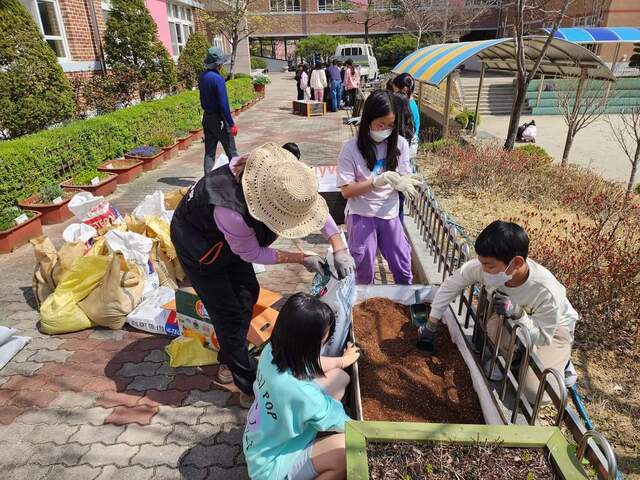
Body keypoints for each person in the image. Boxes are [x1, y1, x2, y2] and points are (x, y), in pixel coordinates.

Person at [170, 143, 356, 408]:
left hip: (230, 243)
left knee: (248, 293)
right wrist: (301, 258)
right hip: (201, 247)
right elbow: (251, 253)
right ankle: (243, 379)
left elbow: (315, 208)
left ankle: (229, 352)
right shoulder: (230, 211)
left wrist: (339, 247)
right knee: (231, 314)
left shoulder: (282, 172)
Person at [417, 220, 578, 402]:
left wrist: (518, 314)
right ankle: (514, 357)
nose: (483, 270)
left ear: (516, 262)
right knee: (493, 329)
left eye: (490, 266)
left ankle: (564, 363)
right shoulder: (485, 267)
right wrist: (432, 323)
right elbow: (450, 286)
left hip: (552, 329)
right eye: (482, 263)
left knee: (535, 394)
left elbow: (542, 336)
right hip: (513, 322)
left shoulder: (545, 291)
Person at [243, 293, 360, 480]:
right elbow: (343, 423)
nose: (325, 343)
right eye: (323, 341)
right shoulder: (301, 393)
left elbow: (310, 365)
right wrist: (374, 433)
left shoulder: (272, 351)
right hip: (272, 469)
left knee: (339, 378)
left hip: (261, 446)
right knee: (348, 449)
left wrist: (343, 361)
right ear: (307, 345)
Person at [337, 90, 422, 285]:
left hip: (389, 213)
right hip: (361, 215)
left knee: (402, 264)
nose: (385, 130)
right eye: (380, 124)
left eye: (390, 125)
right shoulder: (350, 149)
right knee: (363, 269)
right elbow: (346, 191)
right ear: (368, 120)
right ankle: (363, 307)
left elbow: (404, 172)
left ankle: (405, 302)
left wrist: (403, 181)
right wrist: (376, 181)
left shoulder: (399, 144)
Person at [199, 47, 239, 175]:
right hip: (219, 120)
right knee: (231, 151)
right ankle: (238, 178)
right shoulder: (218, 79)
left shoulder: (202, 76)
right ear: (218, 64)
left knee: (209, 153)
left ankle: (207, 180)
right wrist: (231, 123)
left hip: (207, 118)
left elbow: (202, 99)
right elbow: (223, 104)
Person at [391, 92, 416, 224]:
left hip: (395, 180)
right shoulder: (408, 128)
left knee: (396, 211)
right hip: (401, 179)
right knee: (398, 210)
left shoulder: (399, 137)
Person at [391, 73, 420, 157]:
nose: (394, 93)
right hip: (410, 144)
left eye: (395, 90)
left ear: (404, 89)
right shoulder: (410, 103)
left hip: (408, 145)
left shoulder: (407, 106)